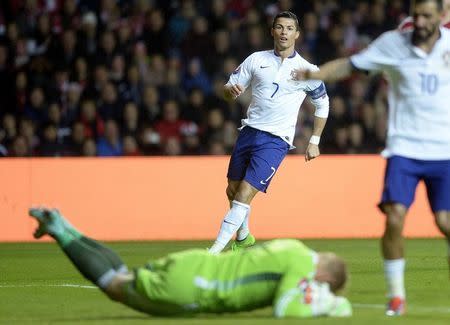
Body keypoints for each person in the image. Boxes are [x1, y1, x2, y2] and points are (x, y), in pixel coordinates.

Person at [292, 0, 450, 316]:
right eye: (415, 15)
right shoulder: (394, 44)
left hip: (444, 150)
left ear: (442, 17)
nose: (419, 22)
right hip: (404, 148)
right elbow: (351, 65)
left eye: (426, 16)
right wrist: (317, 72)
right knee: (394, 217)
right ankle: (396, 297)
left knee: (445, 223)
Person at [28, 207, 352, 318]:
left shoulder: (294, 247)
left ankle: (65, 225)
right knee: (116, 287)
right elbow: (287, 309)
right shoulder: (302, 267)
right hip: (196, 287)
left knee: (124, 276)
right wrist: (333, 306)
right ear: (322, 275)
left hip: (195, 263)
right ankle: (59, 231)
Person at [208, 11, 330, 254]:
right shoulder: (255, 59)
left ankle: (213, 252)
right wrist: (228, 92)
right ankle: (243, 236)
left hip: (276, 140)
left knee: (244, 193)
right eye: (280, 27)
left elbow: (323, 103)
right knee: (232, 190)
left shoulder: (307, 69)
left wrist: (314, 141)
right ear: (272, 31)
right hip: (249, 131)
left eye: (289, 28)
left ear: (297, 34)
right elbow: (226, 88)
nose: (284, 32)